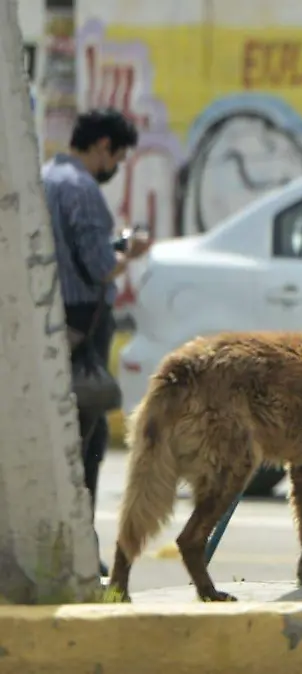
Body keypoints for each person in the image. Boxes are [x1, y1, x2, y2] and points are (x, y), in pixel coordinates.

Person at [43, 107, 150, 576]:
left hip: (52, 325)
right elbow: (98, 266)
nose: (115, 168)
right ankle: (80, 548)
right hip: (83, 329)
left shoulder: (47, 177)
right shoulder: (82, 190)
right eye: (118, 157)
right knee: (88, 438)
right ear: (104, 146)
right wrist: (129, 252)